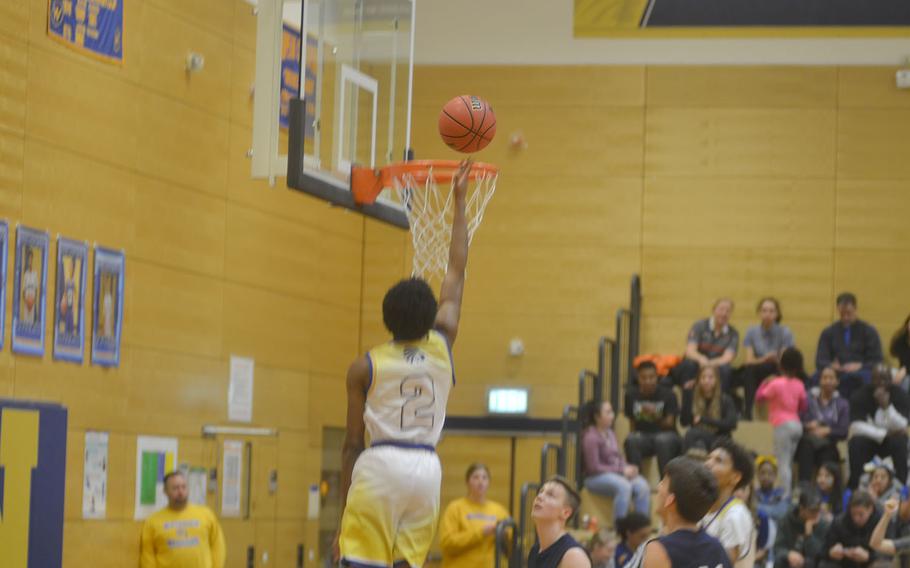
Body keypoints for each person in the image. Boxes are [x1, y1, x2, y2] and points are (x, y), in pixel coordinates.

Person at [336, 160, 473, 568]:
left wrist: (343, 519)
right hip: (426, 469)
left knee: (360, 562)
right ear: (431, 314)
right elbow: (456, 270)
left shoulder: (365, 366)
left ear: (386, 318)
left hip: (380, 466)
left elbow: (350, 446)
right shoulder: (443, 341)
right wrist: (460, 202)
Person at [632, 456, 732, 568]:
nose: (658, 487)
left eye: (664, 482)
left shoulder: (658, 550)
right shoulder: (717, 547)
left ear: (670, 500)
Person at [581, 400, 650, 521]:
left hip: (615, 473)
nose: (612, 416)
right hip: (595, 478)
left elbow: (617, 457)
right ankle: (620, 531)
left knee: (642, 485)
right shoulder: (590, 436)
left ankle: (640, 527)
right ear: (597, 417)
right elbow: (593, 467)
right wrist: (622, 470)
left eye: (612, 412)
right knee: (624, 486)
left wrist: (628, 467)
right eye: (608, 412)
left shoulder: (611, 433)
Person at [140, 471, 225, 568]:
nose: (180, 492)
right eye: (175, 488)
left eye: (184, 487)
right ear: (165, 491)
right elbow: (148, 556)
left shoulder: (206, 515)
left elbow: (218, 547)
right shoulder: (153, 521)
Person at [846, 364, 910, 490]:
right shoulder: (860, 395)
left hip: (892, 442)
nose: (881, 383)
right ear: (871, 380)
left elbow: (903, 425)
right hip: (870, 441)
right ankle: (856, 487)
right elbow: (855, 426)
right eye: (877, 379)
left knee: (900, 441)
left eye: (885, 379)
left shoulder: (900, 395)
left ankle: (901, 487)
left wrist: (887, 407)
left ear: (891, 380)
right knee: (855, 442)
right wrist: (884, 434)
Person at [755, 347, 809, 496]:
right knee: (789, 462)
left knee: (782, 463)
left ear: (781, 364)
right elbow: (804, 406)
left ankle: (785, 495)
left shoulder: (776, 383)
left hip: (782, 425)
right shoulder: (799, 384)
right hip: (796, 425)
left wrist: (765, 382)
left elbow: (759, 397)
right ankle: (788, 491)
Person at [439, 463, 511, 568]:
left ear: (489, 483)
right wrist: (481, 533)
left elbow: (511, 546)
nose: (480, 481)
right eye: (476, 477)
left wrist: (503, 535)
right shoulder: (455, 508)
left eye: (484, 478)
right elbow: (447, 543)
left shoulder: (500, 511)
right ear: (467, 482)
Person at [815, 293, 883, 399]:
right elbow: (820, 360)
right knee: (817, 378)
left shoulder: (869, 331)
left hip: (861, 371)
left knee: (865, 377)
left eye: (849, 313)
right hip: (836, 373)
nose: (846, 317)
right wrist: (831, 365)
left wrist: (860, 365)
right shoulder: (829, 332)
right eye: (842, 314)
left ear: (855, 309)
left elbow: (877, 360)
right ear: (838, 310)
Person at [700, 439, 756, 567]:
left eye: (718, 460)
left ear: (735, 477)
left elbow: (723, 565)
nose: (708, 464)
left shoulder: (735, 515)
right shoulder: (701, 508)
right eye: (709, 458)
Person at [741, 297, 796, 420]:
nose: (767, 314)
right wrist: (765, 358)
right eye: (764, 310)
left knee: (789, 371)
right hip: (759, 367)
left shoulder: (785, 332)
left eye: (771, 311)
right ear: (759, 313)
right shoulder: (752, 331)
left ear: (777, 314)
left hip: (778, 367)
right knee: (748, 370)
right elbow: (749, 360)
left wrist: (776, 359)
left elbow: (787, 360)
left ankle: (786, 413)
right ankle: (748, 412)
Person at [624, 361, 683, 475]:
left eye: (651, 377)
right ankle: (636, 482)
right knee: (631, 439)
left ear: (657, 377)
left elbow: (669, 423)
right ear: (638, 378)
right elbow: (632, 421)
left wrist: (649, 413)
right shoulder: (630, 395)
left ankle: (665, 482)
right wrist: (634, 434)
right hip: (644, 437)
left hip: (668, 436)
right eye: (644, 378)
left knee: (661, 440)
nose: (648, 381)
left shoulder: (669, 394)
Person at [673, 298, 740, 393]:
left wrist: (710, 364)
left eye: (728, 311)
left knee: (726, 369)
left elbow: (727, 358)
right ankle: (687, 400)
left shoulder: (733, 333)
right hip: (698, 362)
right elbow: (690, 351)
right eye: (721, 309)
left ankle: (720, 402)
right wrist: (701, 359)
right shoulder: (699, 325)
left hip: (717, 365)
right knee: (688, 364)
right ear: (714, 310)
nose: (724, 313)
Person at [796, 368, 849, 483]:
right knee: (805, 448)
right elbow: (797, 420)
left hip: (828, 443)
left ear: (837, 382)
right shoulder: (808, 399)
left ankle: (827, 494)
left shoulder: (843, 404)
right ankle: (804, 490)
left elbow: (844, 430)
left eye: (831, 378)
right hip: (808, 440)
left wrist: (828, 430)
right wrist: (808, 426)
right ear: (820, 381)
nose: (827, 381)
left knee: (829, 454)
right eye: (824, 378)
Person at [528, 477, 592, 568]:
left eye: (550, 495)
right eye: (541, 492)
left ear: (565, 513)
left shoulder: (574, 556)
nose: (539, 497)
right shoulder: (534, 551)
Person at [680, 366, 738, 453]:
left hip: (720, 439)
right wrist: (686, 395)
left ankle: (684, 465)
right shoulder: (694, 399)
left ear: (716, 380)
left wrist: (703, 420)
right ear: (698, 380)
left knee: (691, 434)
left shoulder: (725, 399)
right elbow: (684, 422)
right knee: (698, 445)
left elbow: (732, 424)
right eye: (703, 377)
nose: (706, 381)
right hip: (700, 438)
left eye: (710, 377)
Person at [820, 490, 880, 568]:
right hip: (843, 563)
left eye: (861, 514)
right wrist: (831, 552)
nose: (856, 519)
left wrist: (869, 557)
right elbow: (823, 550)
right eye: (853, 514)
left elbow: (887, 553)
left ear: (870, 509)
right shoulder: (839, 522)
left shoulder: (880, 523)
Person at [773, 488, 829, 568]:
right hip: (789, 561)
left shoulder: (823, 524)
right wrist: (788, 554)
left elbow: (820, 554)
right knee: (779, 561)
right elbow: (777, 548)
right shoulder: (786, 519)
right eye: (812, 511)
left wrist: (809, 536)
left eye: (818, 510)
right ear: (801, 509)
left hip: (810, 564)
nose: (816, 514)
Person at [755, 456, 791, 521]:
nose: (766, 477)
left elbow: (780, 513)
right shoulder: (754, 494)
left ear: (775, 476)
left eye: (770, 473)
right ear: (758, 474)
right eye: (762, 473)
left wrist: (756, 507)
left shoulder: (782, 494)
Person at [889, 315, 910, 390]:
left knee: (907, 380)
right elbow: (893, 352)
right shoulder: (902, 339)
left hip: (906, 373)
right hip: (902, 371)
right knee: (888, 374)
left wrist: (906, 370)